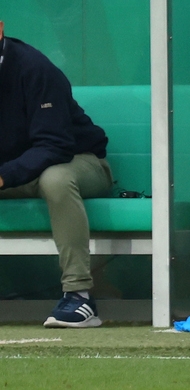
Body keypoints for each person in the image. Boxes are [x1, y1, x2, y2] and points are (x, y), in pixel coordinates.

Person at [0, 20, 113, 328]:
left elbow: (54, 144)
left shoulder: (34, 68)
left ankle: (79, 296)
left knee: (56, 178)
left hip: (78, 161)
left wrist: (3, 175)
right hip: (15, 172)